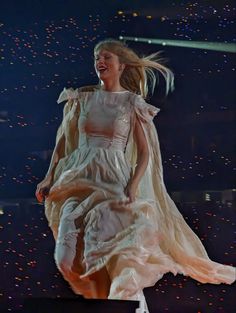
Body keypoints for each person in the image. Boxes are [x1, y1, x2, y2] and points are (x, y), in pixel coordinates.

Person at [35, 39, 235, 313]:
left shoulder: (131, 104)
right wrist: (48, 178)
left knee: (112, 256)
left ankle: (129, 306)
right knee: (66, 261)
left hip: (113, 182)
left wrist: (133, 184)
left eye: (106, 57)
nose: (99, 61)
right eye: (96, 57)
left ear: (121, 65)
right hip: (77, 180)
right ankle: (111, 301)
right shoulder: (80, 97)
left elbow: (144, 153)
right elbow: (62, 143)